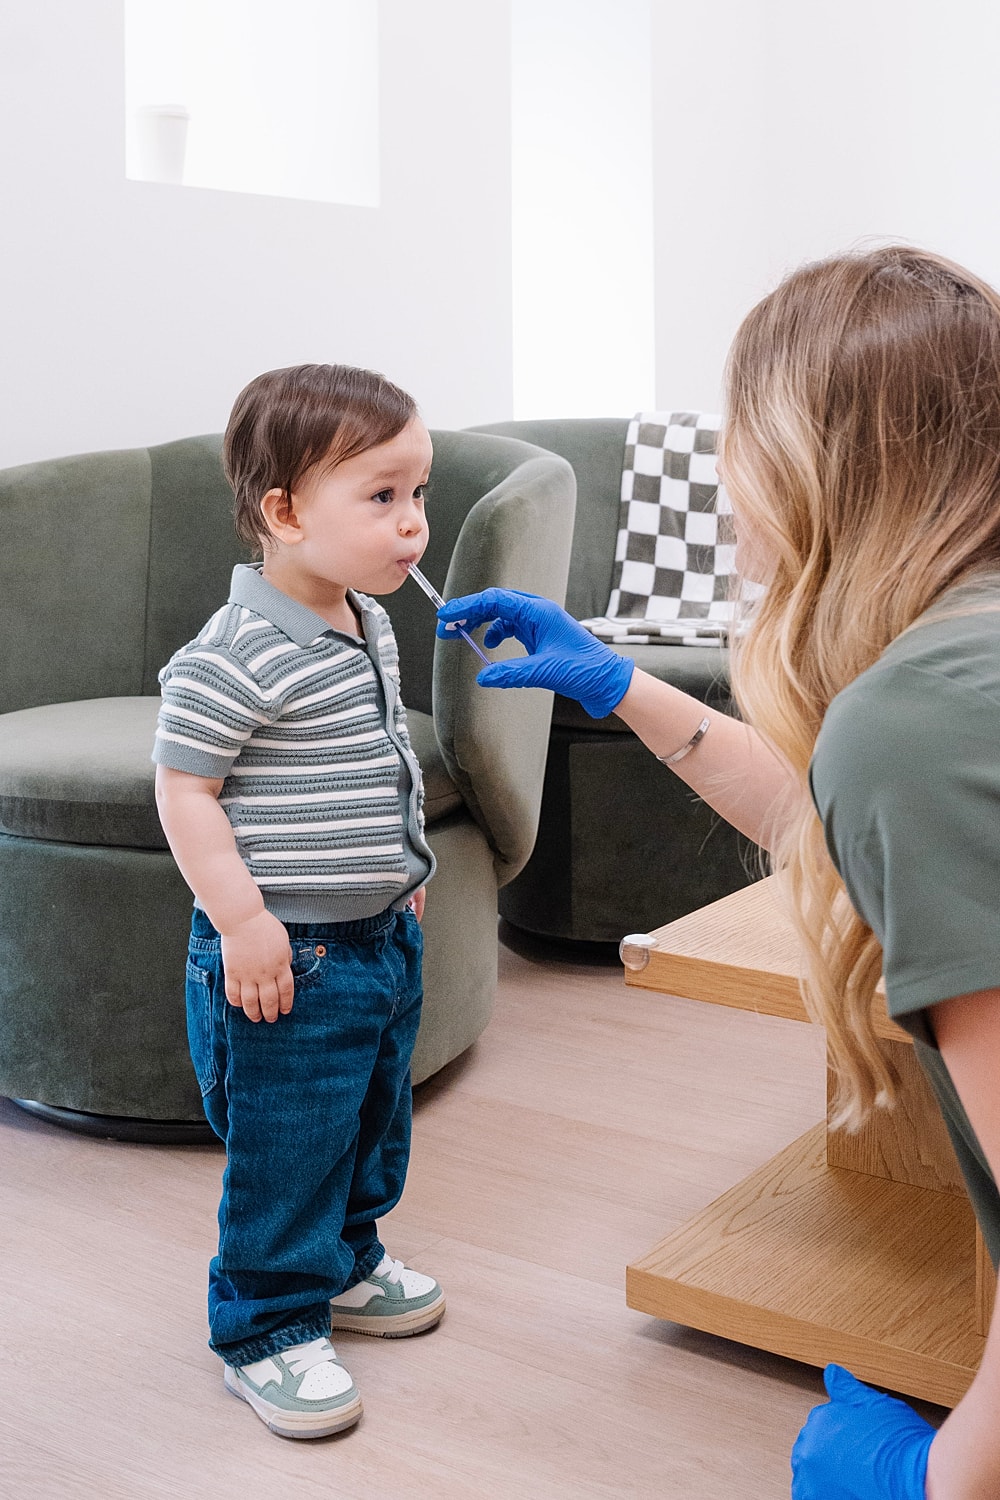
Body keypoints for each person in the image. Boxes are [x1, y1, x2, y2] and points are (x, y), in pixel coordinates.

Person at [436, 246, 1000, 1498]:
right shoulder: (964, 668)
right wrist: (620, 684)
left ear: (812, 463)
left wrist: (938, 1478)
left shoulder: (922, 718)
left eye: (733, 442)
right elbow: (833, 826)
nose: (724, 491)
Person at [153, 363, 444, 1440]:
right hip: (289, 957)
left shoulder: (368, 622)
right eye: (381, 496)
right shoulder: (231, 656)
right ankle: (268, 1325)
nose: (412, 523)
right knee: (290, 1140)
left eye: (418, 492)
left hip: (375, 937)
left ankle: (349, 1262)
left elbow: (374, 762)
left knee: (373, 1120)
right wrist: (241, 920)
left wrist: (402, 873)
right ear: (283, 512)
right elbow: (183, 791)